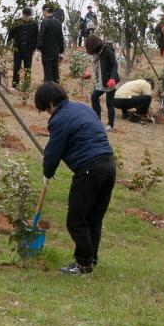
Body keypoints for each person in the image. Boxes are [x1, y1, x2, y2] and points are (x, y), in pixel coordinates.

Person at [37, 82, 116, 275]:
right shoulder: (83, 108)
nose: (48, 113)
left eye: (46, 109)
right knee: (94, 219)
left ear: (50, 103)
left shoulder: (59, 119)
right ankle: (90, 260)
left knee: (76, 219)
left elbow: (53, 152)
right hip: (109, 165)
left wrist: (47, 173)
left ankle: (83, 263)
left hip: (89, 169)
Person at [84, 34, 120, 131]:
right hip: (102, 81)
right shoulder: (97, 53)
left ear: (93, 45)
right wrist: (91, 74)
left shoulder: (107, 50)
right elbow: (100, 68)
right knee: (94, 97)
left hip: (110, 80)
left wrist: (112, 78)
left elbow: (114, 66)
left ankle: (110, 125)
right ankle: (97, 121)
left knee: (109, 102)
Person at [7, 8, 38, 88]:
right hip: (17, 49)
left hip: (29, 50)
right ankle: (15, 85)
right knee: (16, 67)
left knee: (27, 68)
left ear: (31, 16)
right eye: (25, 15)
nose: (26, 17)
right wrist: (8, 46)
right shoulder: (16, 22)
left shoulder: (34, 24)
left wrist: (35, 48)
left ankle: (26, 86)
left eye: (28, 16)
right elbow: (10, 35)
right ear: (22, 14)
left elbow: (36, 37)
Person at [36, 3, 65, 83]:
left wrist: (38, 49)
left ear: (46, 10)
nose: (42, 13)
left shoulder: (44, 22)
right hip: (56, 52)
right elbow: (61, 38)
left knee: (48, 74)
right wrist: (61, 52)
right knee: (56, 73)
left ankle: (49, 91)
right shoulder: (58, 23)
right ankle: (56, 90)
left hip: (46, 52)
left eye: (43, 11)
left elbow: (40, 37)